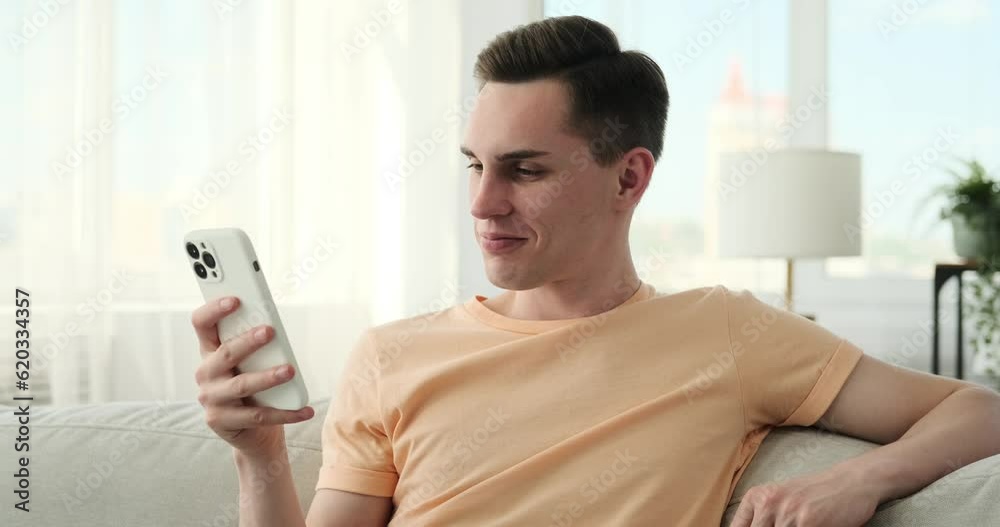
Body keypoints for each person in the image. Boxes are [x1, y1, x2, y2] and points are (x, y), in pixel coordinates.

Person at [191, 15, 1000, 526]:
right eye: (473, 164)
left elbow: (979, 410)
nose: (483, 202)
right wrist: (258, 455)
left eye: (524, 169)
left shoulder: (729, 332)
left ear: (629, 177)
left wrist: (862, 478)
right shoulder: (390, 354)